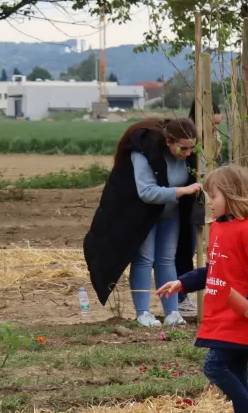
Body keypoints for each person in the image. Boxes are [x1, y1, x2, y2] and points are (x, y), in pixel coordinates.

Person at [156, 166, 248, 413]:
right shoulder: (221, 228)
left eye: (213, 196)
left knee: (214, 367)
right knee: (236, 373)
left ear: (233, 196)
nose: (208, 202)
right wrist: (183, 282)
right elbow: (214, 270)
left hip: (240, 315)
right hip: (222, 314)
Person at [84, 118, 201, 327]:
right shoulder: (143, 153)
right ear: (168, 142)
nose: (188, 153)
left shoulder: (188, 157)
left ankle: (172, 312)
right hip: (143, 213)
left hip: (170, 213)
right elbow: (146, 192)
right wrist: (183, 191)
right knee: (145, 259)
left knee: (167, 259)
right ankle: (143, 313)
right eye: (183, 148)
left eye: (192, 148)